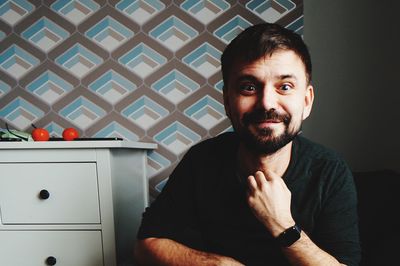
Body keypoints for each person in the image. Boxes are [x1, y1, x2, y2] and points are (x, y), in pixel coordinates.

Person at [134, 23, 361, 266]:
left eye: (284, 87)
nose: (266, 103)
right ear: (227, 102)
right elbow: (146, 246)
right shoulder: (202, 161)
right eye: (248, 87)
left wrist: (282, 225)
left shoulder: (330, 171)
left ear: (306, 102)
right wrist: (219, 265)